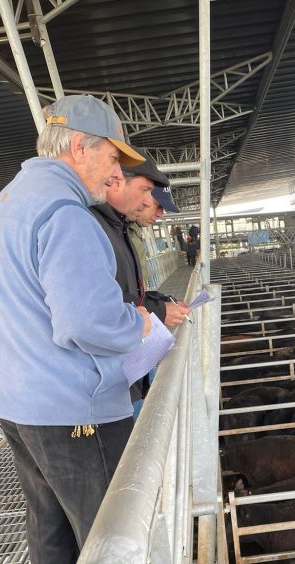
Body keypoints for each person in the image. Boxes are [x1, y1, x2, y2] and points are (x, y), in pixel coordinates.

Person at [0, 94, 151, 564]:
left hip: (18, 402)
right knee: (107, 532)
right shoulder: (66, 213)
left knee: (48, 522)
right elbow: (85, 321)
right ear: (80, 147)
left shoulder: (12, 201)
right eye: (112, 158)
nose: (115, 173)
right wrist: (138, 326)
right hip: (71, 408)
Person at [90, 150, 189, 412]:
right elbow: (102, 304)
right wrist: (158, 310)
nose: (151, 208)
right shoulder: (92, 225)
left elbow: (128, 293)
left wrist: (160, 302)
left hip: (122, 369)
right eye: (148, 193)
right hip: (105, 380)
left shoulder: (119, 228)